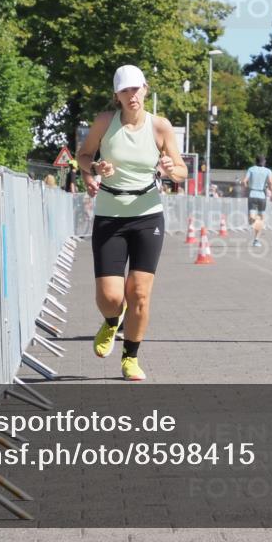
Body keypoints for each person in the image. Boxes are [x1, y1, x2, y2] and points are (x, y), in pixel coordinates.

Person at [77, 65, 187, 381]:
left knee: (139, 292)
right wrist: (95, 167)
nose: (132, 95)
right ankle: (112, 322)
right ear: (117, 95)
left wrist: (169, 169)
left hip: (147, 215)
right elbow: (83, 156)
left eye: (136, 89)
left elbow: (182, 171)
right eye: (125, 90)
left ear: (145, 89)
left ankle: (131, 357)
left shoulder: (160, 126)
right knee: (111, 297)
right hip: (110, 215)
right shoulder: (104, 122)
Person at [242, 155, 272, 248]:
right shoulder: (268, 171)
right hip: (262, 196)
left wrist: (245, 190)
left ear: (256, 161)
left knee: (252, 218)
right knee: (260, 219)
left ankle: (254, 221)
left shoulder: (251, 169)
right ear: (264, 162)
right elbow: (271, 183)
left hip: (252, 194)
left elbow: (244, 181)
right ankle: (256, 240)